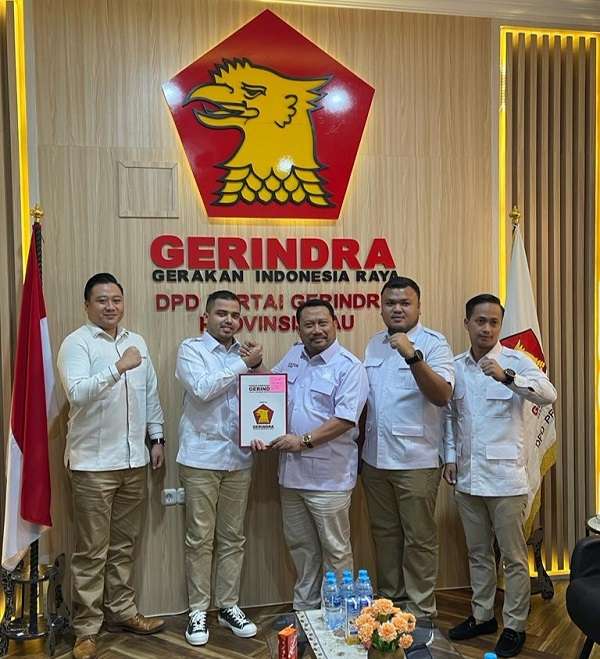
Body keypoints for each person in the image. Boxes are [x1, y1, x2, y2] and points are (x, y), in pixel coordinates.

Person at [57, 273, 165, 659]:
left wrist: (156, 438)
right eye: (102, 300)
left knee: (124, 545)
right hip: (92, 465)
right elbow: (77, 394)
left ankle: (122, 612)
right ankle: (86, 629)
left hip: (134, 461)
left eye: (116, 300)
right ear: (87, 305)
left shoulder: (138, 342)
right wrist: (117, 368)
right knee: (91, 550)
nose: (110, 306)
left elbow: (150, 394)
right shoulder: (77, 343)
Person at [444, 293, 557, 657]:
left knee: (512, 556)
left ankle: (514, 625)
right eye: (480, 321)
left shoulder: (516, 361)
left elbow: (548, 394)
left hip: (507, 479)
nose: (487, 328)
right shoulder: (456, 366)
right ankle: (482, 616)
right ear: (467, 323)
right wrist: (449, 457)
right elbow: (450, 418)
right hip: (468, 477)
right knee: (477, 553)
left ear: (500, 326)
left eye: (494, 322)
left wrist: (507, 377)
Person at [253, 299, 368, 610]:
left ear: (335, 324)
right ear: (298, 328)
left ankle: (338, 615)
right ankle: (304, 610)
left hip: (329, 480)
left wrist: (302, 441)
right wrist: (256, 367)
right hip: (292, 476)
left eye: (322, 323)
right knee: (301, 548)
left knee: (335, 550)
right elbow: (271, 390)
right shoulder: (294, 357)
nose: (316, 330)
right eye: (309, 324)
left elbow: (344, 420)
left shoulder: (349, 367)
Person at [361, 276, 454, 619]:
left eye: (405, 303)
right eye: (391, 303)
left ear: (418, 307)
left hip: (416, 459)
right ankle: (391, 604)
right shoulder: (374, 344)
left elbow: (442, 395)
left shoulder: (434, 343)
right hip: (375, 460)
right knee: (384, 534)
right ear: (381, 307)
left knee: (419, 538)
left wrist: (412, 356)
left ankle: (421, 610)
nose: (397, 309)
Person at [176, 290, 263, 646]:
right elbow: (202, 389)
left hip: (239, 458)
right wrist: (245, 365)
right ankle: (198, 610)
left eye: (235, 315)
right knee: (199, 538)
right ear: (206, 317)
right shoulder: (191, 349)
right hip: (200, 458)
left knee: (233, 537)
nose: (229, 320)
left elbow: (261, 397)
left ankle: (228, 605)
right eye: (221, 313)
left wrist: (257, 369)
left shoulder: (246, 353)